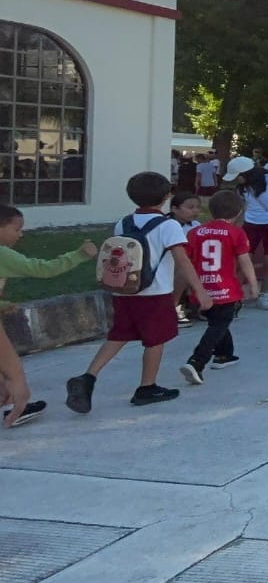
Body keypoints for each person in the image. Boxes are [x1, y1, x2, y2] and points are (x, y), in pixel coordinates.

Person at [66, 171, 212, 413]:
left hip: (124, 291)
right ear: (166, 197)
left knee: (118, 335)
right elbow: (182, 261)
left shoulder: (123, 223)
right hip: (155, 293)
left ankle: (88, 376)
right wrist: (200, 290)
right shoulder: (169, 226)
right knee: (156, 339)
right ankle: (147, 386)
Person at [0, 204, 98, 426]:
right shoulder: (2, 254)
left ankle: (10, 406)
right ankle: (15, 409)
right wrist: (79, 255)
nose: (21, 234)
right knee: (13, 371)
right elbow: (43, 269)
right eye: (16, 229)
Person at [178, 189, 258, 385]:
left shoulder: (195, 232)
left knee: (218, 322)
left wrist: (188, 287)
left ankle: (224, 354)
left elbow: (186, 262)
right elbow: (245, 261)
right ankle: (197, 361)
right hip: (225, 288)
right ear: (238, 212)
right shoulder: (236, 233)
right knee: (219, 324)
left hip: (202, 287)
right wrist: (254, 285)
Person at [232, 155, 268, 310]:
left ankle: (264, 294)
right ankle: (235, 296)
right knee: (244, 259)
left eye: (237, 176)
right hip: (250, 224)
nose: (236, 179)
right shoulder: (242, 188)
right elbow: (243, 207)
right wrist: (236, 224)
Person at [167, 190, 203, 327]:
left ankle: (197, 305)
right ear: (174, 208)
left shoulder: (196, 225)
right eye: (190, 207)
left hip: (191, 262)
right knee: (183, 272)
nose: (195, 211)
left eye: (197, 207)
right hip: (171, 265)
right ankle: (174, 307)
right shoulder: (167, 225)